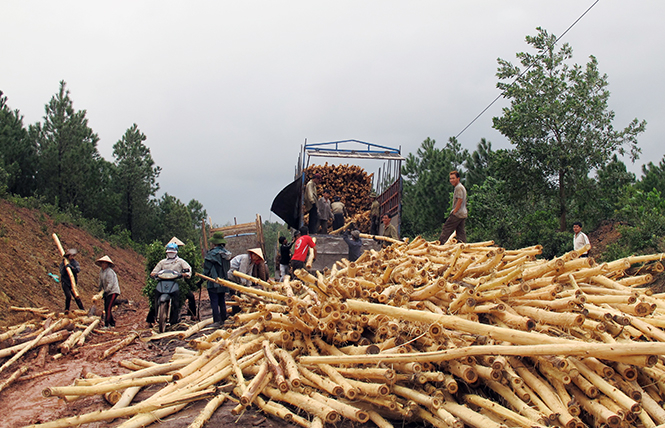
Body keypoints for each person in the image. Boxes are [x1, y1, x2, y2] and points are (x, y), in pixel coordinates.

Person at [147, 242, 192, 325]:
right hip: (163, 282)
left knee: (190, 296)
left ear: (176, 252)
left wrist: (184, 274)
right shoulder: (162, 262)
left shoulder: (180, 261)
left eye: (172, 252)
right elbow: (154, 271)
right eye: (169, 252)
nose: (171, 254)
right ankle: (150, 319)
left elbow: (188, 269)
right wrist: (154, 274)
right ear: (166, 253)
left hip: (177, 282)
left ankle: (193, 315)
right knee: (154, 298)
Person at [203, 232, 233, 326]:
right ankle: (223, 318)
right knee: (222, 300)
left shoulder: (212, 254)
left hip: (213, 281)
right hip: (223, 280)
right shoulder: (226, 253)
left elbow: (207, 269)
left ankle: (216, 321)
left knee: (214, 301)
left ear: (214, 243)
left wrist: (201, 280)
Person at [438, 170, 467, 244]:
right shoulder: (461, 187)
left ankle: (439, 244)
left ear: (458, 178)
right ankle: (462, 245)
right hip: (463, 213)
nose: (451, 180)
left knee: (446, 228)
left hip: (458, 213)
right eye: (450, 178)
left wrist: (455, 211)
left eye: (453, 178)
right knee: (460, 232)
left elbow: (460, 200)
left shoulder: (458, 187)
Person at [96, 255, 120, 328]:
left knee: (108, 307)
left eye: (105, 263)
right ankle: (112, 323)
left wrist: (106, 291)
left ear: (107, 264)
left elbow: (110, 283)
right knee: (106, 307)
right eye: (102, 263)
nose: (103, 264)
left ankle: (107, 324)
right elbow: (101, 281)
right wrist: (99, 289)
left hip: (113, 291)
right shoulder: (101, 272)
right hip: (106, 291)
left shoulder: (110, 272)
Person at [59, 248, 84, 313]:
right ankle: (66, 310)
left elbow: (77, 270)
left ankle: (82, 310)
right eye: (71, 256)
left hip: (72, 282)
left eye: (73, 256)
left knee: (76, 296)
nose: (72, 257)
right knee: (68, 296)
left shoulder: (75, 263)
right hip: (65, 282)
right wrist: (65, 267)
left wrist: (71, 267)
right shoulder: (63, 263)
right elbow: (61, 272)